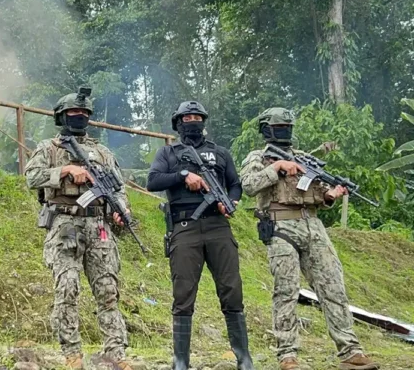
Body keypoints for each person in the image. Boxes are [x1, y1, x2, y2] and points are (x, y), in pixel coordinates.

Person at [240, 107, 380, 370]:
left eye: (287, 126)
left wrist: (330, 196)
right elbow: (248, 185)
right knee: (286, 289)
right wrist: (279, 168)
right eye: (279, 126)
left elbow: (318, 192)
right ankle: (287, 355)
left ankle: (350, 350)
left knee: (333, 286)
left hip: (313, 225)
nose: (285, 131)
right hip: (280, 225)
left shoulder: (305, 158)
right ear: (267, 130)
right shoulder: (259, 157)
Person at [25, 88, 133, 370]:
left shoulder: (102, 152)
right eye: (74, 113)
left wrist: (123, 210)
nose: (80, 117)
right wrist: (64, 172)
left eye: (84, 114)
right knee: (68, 289)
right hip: (65, 224)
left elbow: (118, 188)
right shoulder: (49, 148)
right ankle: (72, 354)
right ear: (62, 116)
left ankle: (116, 354)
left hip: (99, 225)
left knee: (108, 290)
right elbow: (31, 177)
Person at [146, 101, 254, 370]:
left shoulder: (221, 153)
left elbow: (236, 184)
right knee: (183, 293)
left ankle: (243, 357)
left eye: (197, 117)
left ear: (203, 121)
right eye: (187, 117)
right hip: (184, 228)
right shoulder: (168, 153)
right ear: (178, 123)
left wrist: (231, 201)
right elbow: (153, 181)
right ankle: (181, 360)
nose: (192, 121)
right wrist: (183, 175)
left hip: (218, 227)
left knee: (231, 290)